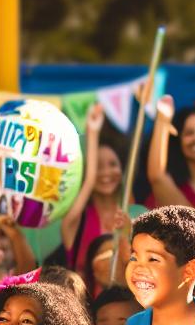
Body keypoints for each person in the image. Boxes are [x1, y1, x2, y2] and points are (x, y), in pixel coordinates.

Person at [62, 102, 146, 273]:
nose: (106, 172)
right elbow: (90, 179)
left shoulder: (139, 215)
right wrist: (92, 132)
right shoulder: (76, 221)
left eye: (113, 164)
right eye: (98, 166)